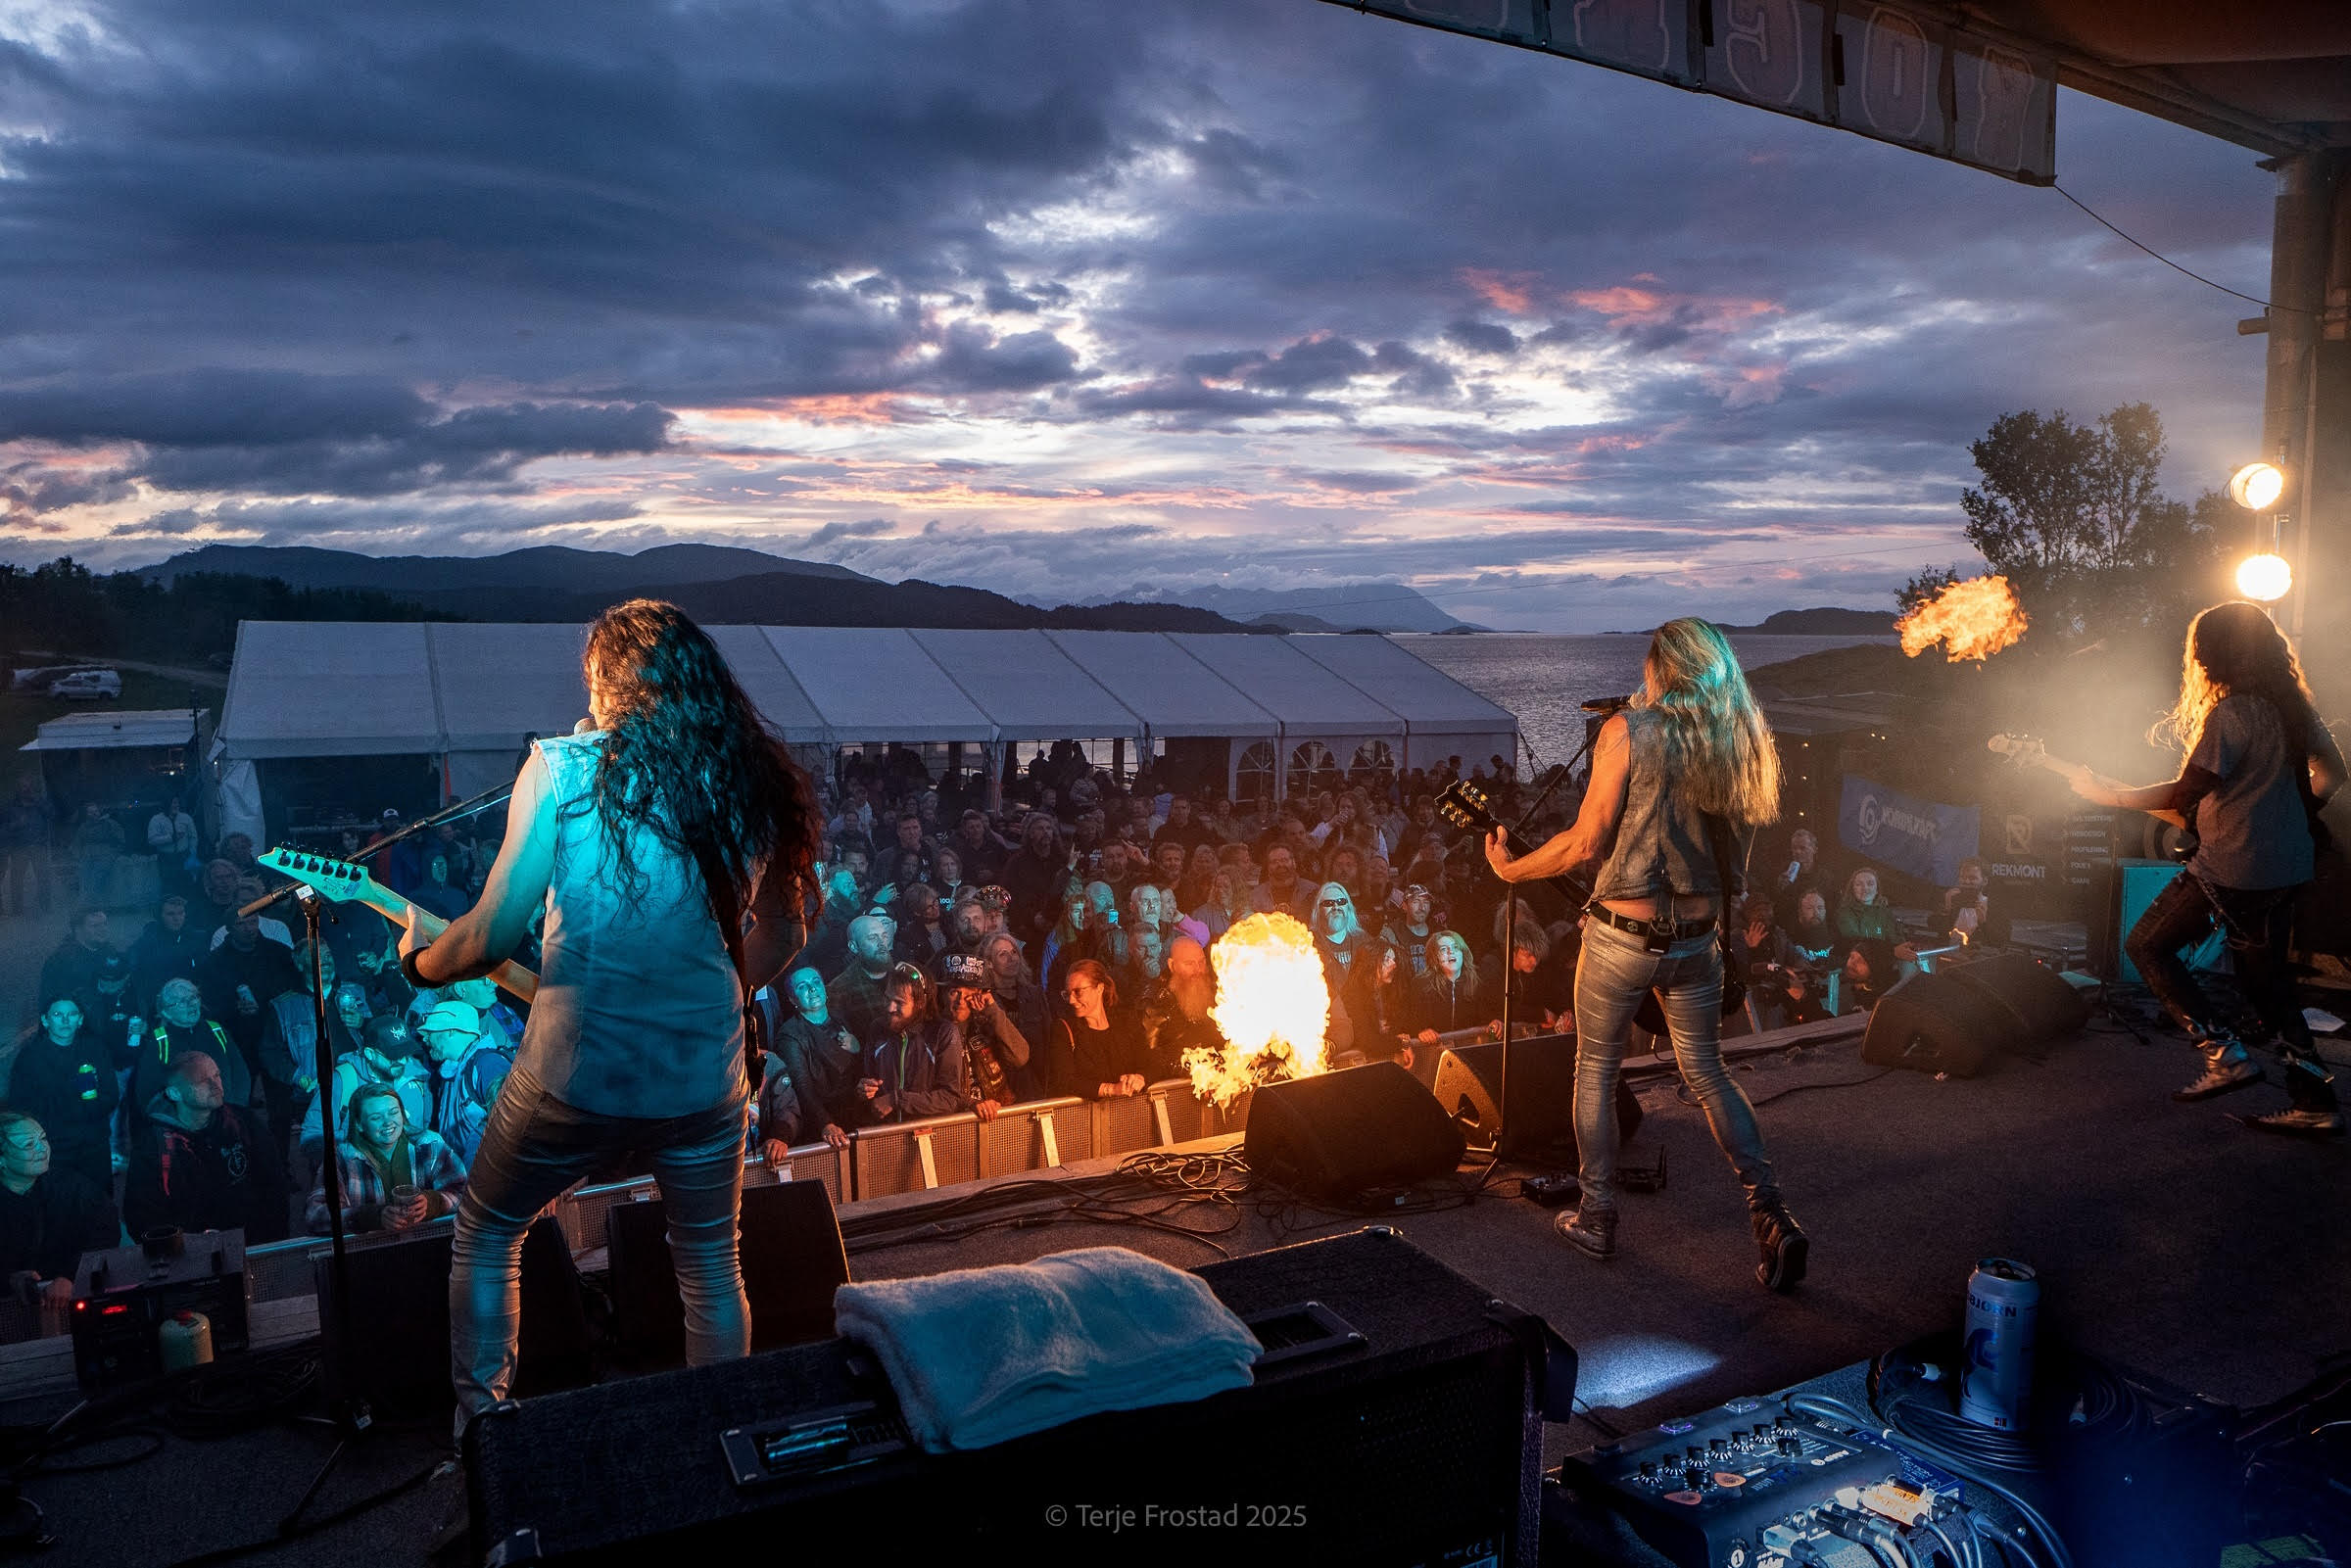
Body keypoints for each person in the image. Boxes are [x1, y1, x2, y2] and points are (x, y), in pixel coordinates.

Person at [398, 598, 821, 1434]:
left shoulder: (562, 768)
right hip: (703, 1077)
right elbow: (788, 931)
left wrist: (418, 961)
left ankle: (483, 1433)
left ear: (605, 679)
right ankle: (724, 1442)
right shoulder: (751, 777)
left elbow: (488, 938)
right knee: (711, 1263)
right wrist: (721, 995)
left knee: (487, 1228)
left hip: (575, 1077)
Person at [1484, 617, 1805, 1291]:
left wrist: (1511, 870)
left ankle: (1596, 1216)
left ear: (1662, 667)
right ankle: (1770, 1208)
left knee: (1595, 1071)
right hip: (1699, 941)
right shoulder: (1742, 739)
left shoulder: (1630, 730)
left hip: (1623, 938)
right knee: (1709, 1073)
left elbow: (1586, 841)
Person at [2072, 600, 2346, 1135]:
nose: (2197, 658)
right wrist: (2294, 811)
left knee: (2147, 946)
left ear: (2219, 652)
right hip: (2286, 866)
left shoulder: (2234, 713)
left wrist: (2112, 796)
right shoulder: (2293, 710)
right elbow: (2334, 774)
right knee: (2270, 988)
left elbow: (2186, 793)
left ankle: (2224, 1054)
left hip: (2232, 867)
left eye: (2202, 648)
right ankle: (2315, 1103)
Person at [124, 1052, 289, 1244]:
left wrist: (272, 1240)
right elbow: (142, 1215)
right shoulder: (155, 1145)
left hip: (252, 1242)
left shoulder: (241, 1122)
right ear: (174, 1093)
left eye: (217, 1075)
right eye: (202, 1081)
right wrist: (185, 1246)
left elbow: (274, 1184)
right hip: (190, 1253)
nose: (216, 1085)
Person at [307, 1082, 467, 1235]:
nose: (388, 1122)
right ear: (359, 1125)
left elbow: (465, 1194)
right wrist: (371, 1217)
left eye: (393, 1112)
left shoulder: (430, 1146)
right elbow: (315, 1214)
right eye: (376, 1117)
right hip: (370, 1250)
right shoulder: (342, 1159)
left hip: (426, 1243)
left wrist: (433, 1203)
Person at [0, 1114, 116, 1325]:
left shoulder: (71, 1186)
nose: (42, 1149)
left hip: (72, 1302)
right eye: (29, 1144)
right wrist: (8, 1279)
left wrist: (71, 1275)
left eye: (43, 1138)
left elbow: (105, 1231)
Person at [9, 997, 121, 1193]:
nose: (65, 1020)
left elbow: (110, 1096)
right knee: (58, 1202)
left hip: (93, 1146)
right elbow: (23, 1105)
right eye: (57, 1014)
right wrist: (75, 1089)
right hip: (55, 1148)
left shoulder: (95, 1049)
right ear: (45, 1020)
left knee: (97, 1201)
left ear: (80, 1019)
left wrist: (90, 1103)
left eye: (72, 1014)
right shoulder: (31, 1057)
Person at [766, 967, 866, 1150]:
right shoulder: (790, 1035)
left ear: (824, 988)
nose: (812, 988)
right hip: (823, 1129)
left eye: (816, 982)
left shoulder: (842, 1019)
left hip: (855, 1117)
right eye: (802, 986)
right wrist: (825, 1123)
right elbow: (802, 1086)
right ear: (792, 999)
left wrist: (858, 1049)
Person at [856, 966, 970, 1122]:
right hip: (887, 1132)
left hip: (930, 1131)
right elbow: (869, 1083)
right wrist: (864, 1090)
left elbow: (949, 1098)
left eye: (899, 1002)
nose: (890, 1008)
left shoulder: (943, 1033)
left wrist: (896, 1100)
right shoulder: (877, 1028)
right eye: (887, 998)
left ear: (920, 1003)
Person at [415, 999, 512, 1168]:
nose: (425, 1039)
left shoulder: (488, 1064)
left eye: (430, 1032)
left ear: (451, 1032)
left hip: (483, 1172)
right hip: (461, 1172)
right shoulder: (451, 1072)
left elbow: (511, 1127)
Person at [936, 953, 1029, 1119]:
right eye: (954, 992)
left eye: (968, 993)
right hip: (955, 1122)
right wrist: (970, 1103)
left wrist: (992, 1010)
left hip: (998, 1116)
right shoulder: (932, 1033)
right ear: (943, 994)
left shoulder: (986, 1024)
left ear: (979, 993)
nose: (960, 1001)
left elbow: (1020, 1057)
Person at [1049, 959, 1147, 1101]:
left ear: (1100, 988)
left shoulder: (1126, 1021)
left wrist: (1140, 1078)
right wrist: (1110, 1089)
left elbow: (1151, 1060)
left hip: (1132, 1110)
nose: (1071, 1000)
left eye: (1078, 992)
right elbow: (1064, 1081)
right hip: (1087, 1114)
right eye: (1067, 994)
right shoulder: (1063, 1030)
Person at [127, 895, 206, 1015]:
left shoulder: (197, 939)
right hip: (160, 1005)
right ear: (160, 916)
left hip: (192, 1002)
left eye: (181, 913)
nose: (177, 918)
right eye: (170, 914)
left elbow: (203, 973)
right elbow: (143, 980)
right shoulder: (147, 943)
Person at [826, 914, 899, 1041]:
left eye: (884, 936)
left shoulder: (902, 976)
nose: (882, 943)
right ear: (853, 947)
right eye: (872, 938)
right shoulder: (838, 990)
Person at [38, 909, 118, 1022]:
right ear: (78, 929)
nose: (103, 929)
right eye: (95, 926)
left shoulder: (111, 953)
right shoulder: (61, 961)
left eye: (105, 924)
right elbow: (50, 1001)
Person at [1832, 867, 1913, 959]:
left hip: (1885, 961)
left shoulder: (1885, 913)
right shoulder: (1844, 913)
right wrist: (1891, 951)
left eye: (1870, 884)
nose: (1865, 888)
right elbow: (1855, 942)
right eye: (1859, 884)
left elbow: (1897, 940)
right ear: (1852, 889)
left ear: (1877, 889)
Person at [1932, 857, 2011, 949]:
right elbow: (1934, 927)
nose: (1966, 881)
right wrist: (1947, 908)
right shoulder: (1952, 901)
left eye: (1972, 878)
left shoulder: (1995, 907)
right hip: (1949, 954)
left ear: (1984, 881)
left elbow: (2001, 940)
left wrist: (1983, 923)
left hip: (1979, 956)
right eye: (1962, 877)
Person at [0, 783, 52, 920]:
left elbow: (51, 814)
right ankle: (17, 909)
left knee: (43, 878)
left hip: (38, 846)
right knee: (16, 880)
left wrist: (38, 801)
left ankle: (46, 906)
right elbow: (2, 827)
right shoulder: (10, 807)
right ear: (18, 790)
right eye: (23, 787)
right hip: (19, 848)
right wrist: (15, 824)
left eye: (29, 787)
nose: (26, 790)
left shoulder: (39, 804)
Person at [72, 804, 124, 908]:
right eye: (90, 812)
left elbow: (120, 839)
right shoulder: (83, 827)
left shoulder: (109, 824)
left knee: (98, 876)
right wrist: (77, 855)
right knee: (84, 876)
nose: (93, 814)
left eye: (95, 811)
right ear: (87, 814)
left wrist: (115, 852)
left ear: (99, 812)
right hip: (87, 855)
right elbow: (77, 843)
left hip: (106, 854)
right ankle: (86, 903)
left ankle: (96, 904)